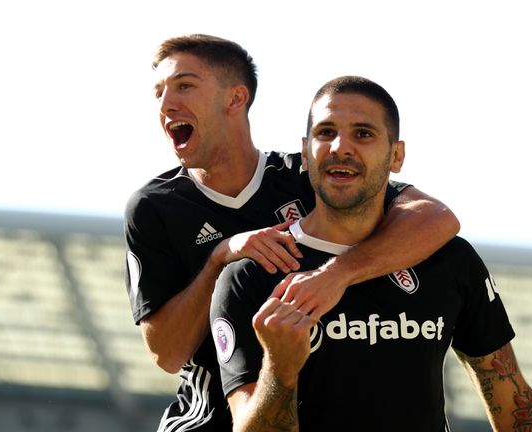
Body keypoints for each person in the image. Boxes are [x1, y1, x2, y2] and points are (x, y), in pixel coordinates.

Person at [124, 35, 460, 432]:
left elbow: (437, 217)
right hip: (206, 422)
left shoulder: (308, 175)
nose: (166, 104)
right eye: (159, 92)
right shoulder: (153, 206)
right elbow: (166, 353)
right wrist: (221, 256)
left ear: (235, 99)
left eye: (184, 85)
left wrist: (335, 275)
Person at [210, 76, 532, 431]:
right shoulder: (251, 275)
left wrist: (337, 276)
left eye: (363, 134)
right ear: (306, 152)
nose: (340, 147)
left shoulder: (450, 261)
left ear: (397, 155)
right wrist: (279, 371)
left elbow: (513, 403)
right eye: (326, 133)